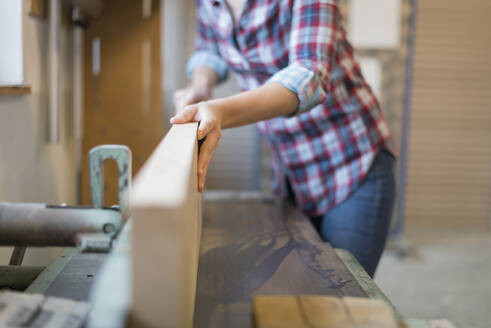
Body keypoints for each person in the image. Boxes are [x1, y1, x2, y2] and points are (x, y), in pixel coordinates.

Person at [172, 0, 396, 277]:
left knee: (341, 291)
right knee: (303, 282)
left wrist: (220, 111)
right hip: (293, 167)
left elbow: (309, 74)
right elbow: (209, 51)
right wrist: (199, 86)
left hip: (352, 160)